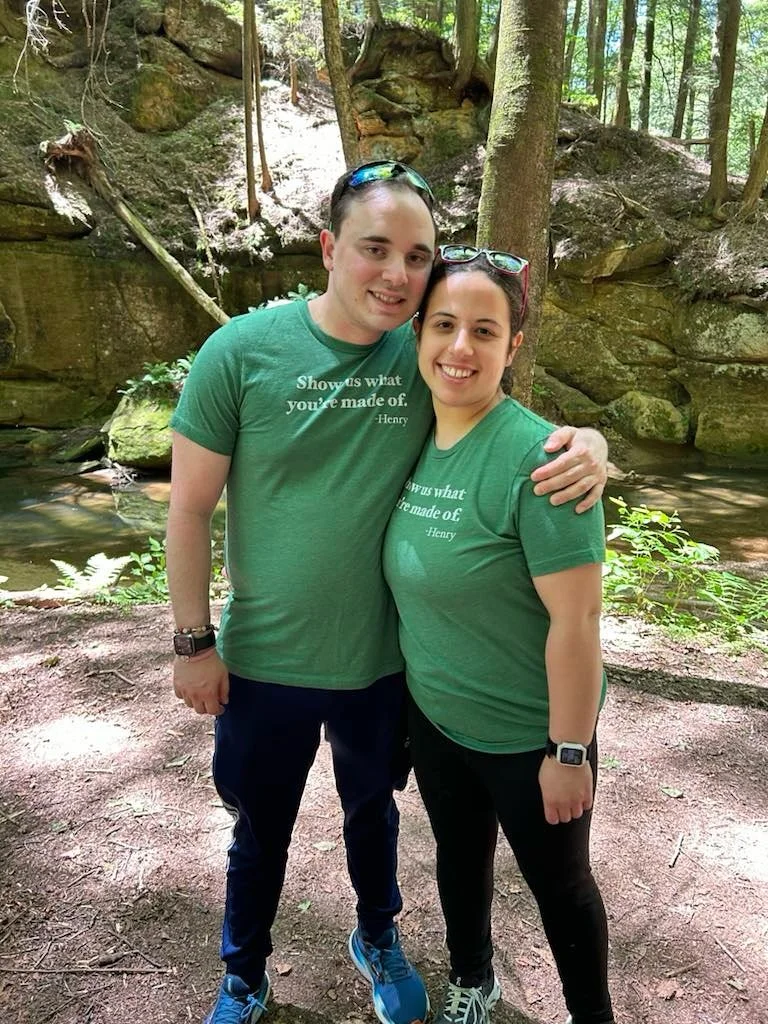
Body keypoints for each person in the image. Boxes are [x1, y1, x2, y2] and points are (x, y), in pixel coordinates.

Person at [166, 162, 609, 1024]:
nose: (397, 274)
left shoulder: (425, 356)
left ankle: (378, 938)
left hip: (383, 667)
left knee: (374, 814)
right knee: (260, 830)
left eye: (417, 255)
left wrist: (591, 445)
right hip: (263, 658)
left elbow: (502, 413)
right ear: (330, 247)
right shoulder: (242, 352)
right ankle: (242, 974)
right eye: (376, 249)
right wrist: (192, 641)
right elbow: (186, 510)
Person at [382, 245, 614, 1024]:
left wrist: (568, 750)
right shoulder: (410, 431)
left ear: (512, 347)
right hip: (439, 720)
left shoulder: (542, 461)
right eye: (444, 324)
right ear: (417, 334)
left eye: (485, 331)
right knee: (458, 857)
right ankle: (472, 983)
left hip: (530, 735)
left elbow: (577, 619)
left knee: (561, 888)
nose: (460, 347)